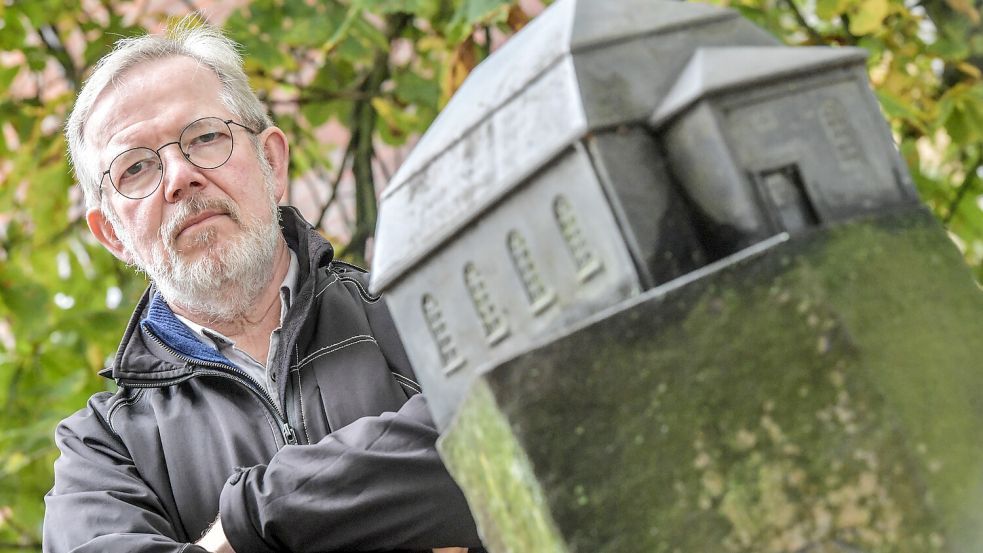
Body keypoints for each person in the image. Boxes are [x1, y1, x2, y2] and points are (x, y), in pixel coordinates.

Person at [43, 19, 481, 553]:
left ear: (271, 160)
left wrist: (248, 522)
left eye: (205, 137)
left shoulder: (417, 310)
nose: (180, 176)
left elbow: (508, 431)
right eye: (135, 168)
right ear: (112, 233)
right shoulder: (103, 448)